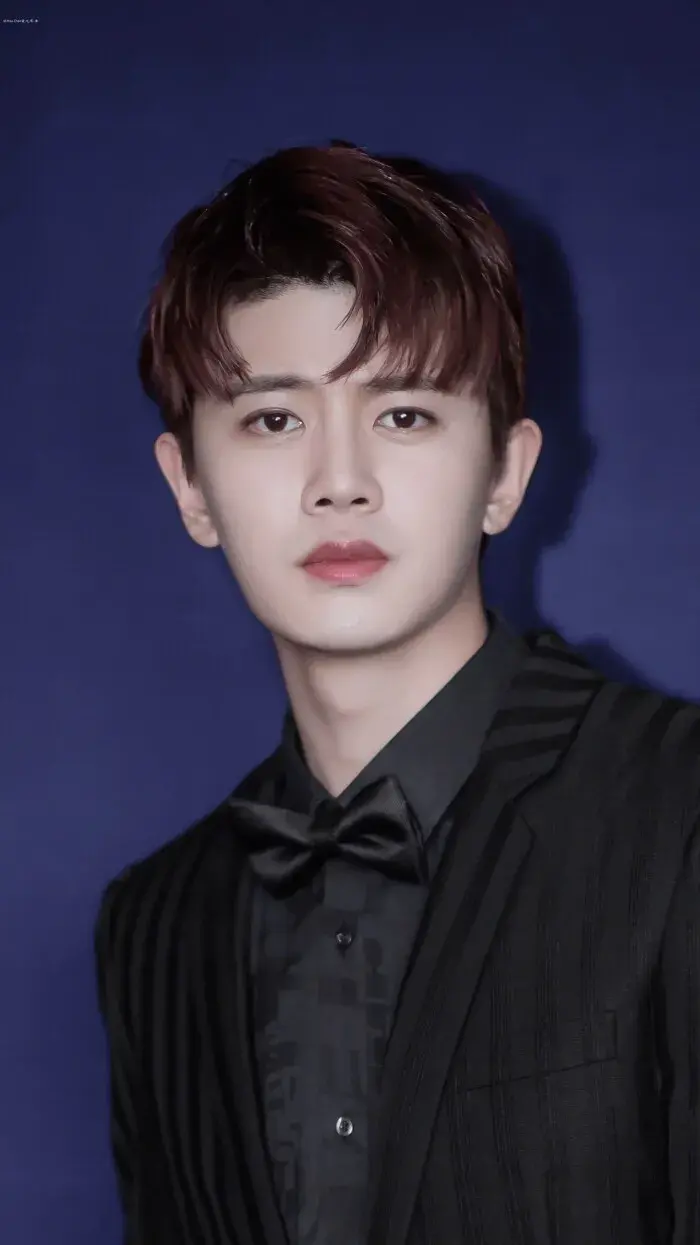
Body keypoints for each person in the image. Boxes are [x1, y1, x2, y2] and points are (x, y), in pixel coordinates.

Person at [94, 139, 700, 1245]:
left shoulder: (679, 809)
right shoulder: (152, 924)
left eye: (405, 413)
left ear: (505, 472)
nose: (340, 482)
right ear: (191, 489)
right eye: (273, 419)